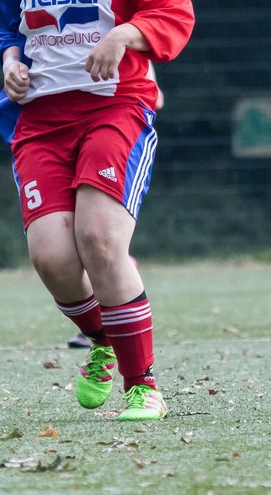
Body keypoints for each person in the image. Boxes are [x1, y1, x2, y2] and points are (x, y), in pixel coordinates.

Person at [0, 0, 195, 422]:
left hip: (115, 108)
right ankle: (106, 339)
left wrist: (126, 33)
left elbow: (175, 12)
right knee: (53, 257)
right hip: (43, 122)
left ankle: (143, 384)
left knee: (100, 241)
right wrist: (10, 64)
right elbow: (12, 31)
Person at [67, 67, 162, 350]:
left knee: (102, 243)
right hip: (62, 134)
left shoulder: (124, 40)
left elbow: (156, 96)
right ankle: (100, 329)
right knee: (71, 247)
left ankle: (104, 333)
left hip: (117, 137)